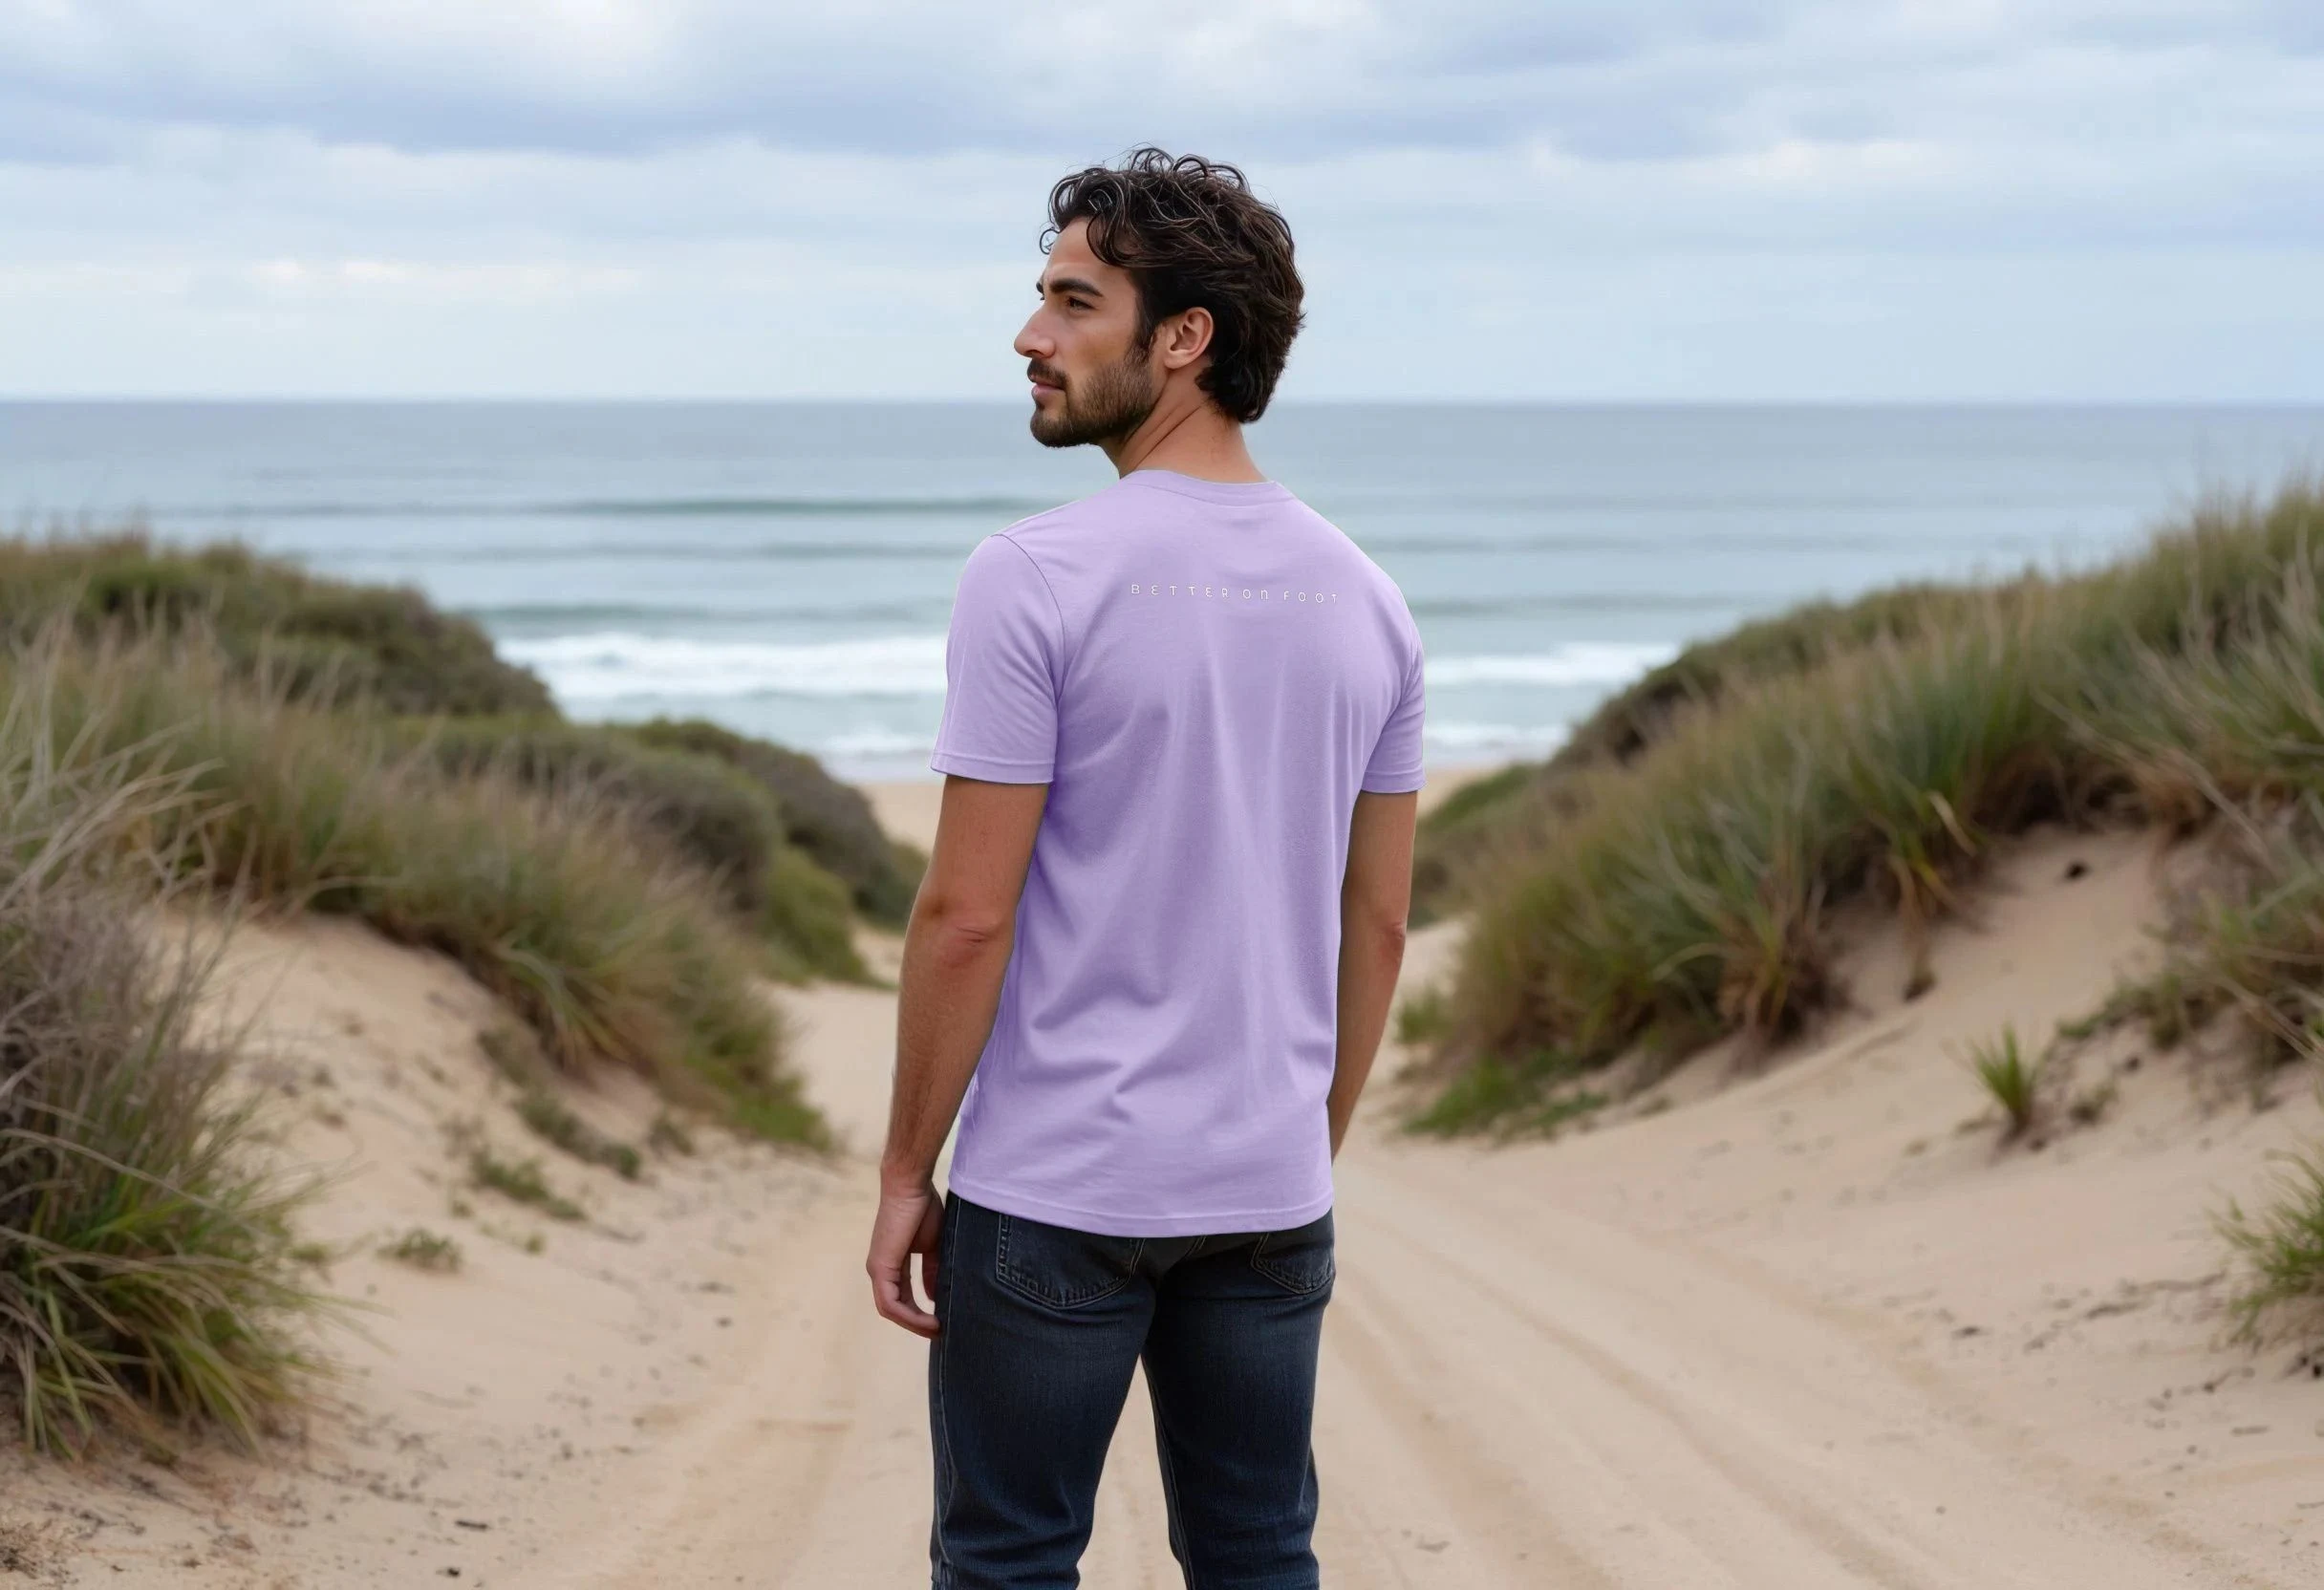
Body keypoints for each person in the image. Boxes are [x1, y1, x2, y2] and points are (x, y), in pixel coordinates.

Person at [867, 145, 1425, 1589]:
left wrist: (906, 1170)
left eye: (1073, 304)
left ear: (1183, 339)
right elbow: (1377, 924)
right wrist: (1298, 1146)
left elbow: (966, 915)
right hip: (1267, 1189)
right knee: (1258, 1558)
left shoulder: (1035, 574)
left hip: (1058, 1187)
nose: (1030, 337)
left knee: (1008, 1563)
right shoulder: (1370, 600)